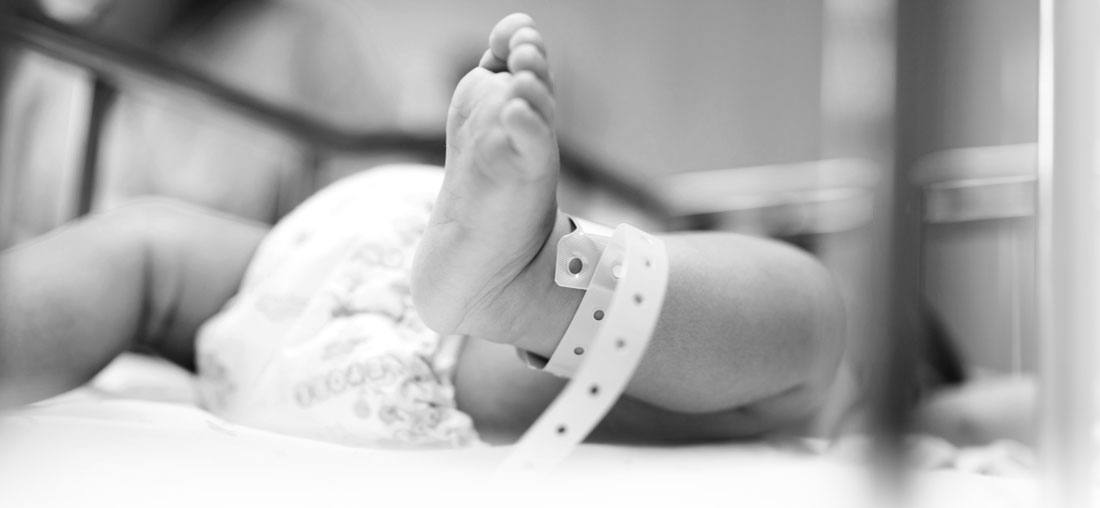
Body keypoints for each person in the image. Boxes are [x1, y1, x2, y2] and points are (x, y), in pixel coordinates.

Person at [0, 13, 845, 447]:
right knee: (814, 323)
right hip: (437, 323)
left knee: (141, 249)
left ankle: (533, 278)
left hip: (290, 277)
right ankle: (540, 283)